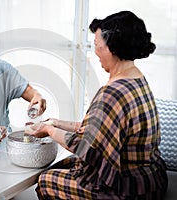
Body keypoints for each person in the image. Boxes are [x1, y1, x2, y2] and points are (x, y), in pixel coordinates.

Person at [26, 11, 168, 199]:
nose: (95, 52)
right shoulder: (137, 78)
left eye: (97, 46)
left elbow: (85, 146)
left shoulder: (112, 93)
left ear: (112, 48)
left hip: (127, 190)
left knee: (45, 180)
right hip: (151, 181)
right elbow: (99, 131)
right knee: (65, 164)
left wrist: (48, 130)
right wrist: (57, 123)